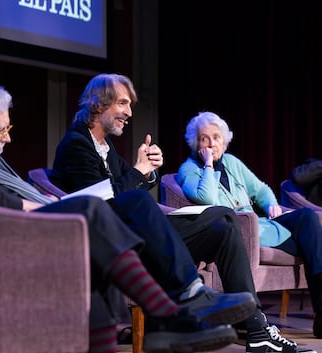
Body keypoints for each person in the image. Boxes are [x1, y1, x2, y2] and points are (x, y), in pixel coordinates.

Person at [0, 33, 254, 353]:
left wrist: (142, 175)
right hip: (3, 233)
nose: (9, 137)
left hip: (19, 223)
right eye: (2, 129)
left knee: (218, 221)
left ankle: (192, 310)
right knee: (99, 210)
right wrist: (30, 205)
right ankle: (174, 309)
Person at [49, 73, 316, 353]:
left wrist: (146, 171)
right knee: (183, 208)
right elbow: (100, 201)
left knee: (225, 224)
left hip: (138, 232)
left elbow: (125, 182)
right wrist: (139, 173)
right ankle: (190, 297)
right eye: (123, 103)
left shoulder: (105, 146)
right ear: (97, 104)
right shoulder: (76, 144)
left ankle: (256, 328)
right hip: (116, 240)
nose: (129, 113)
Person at [177, 110, 322, 344]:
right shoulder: (189, 169)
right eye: (205, 138)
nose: (212, 143)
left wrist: (272, 204)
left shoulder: (233, 162)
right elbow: (206, 198)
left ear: (225, 141)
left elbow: (261, 189)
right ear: (196, 143)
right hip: (242, 231)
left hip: (263, 225)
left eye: (217, 137)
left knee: (307, 218)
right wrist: (208, 165)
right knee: (312, 244)